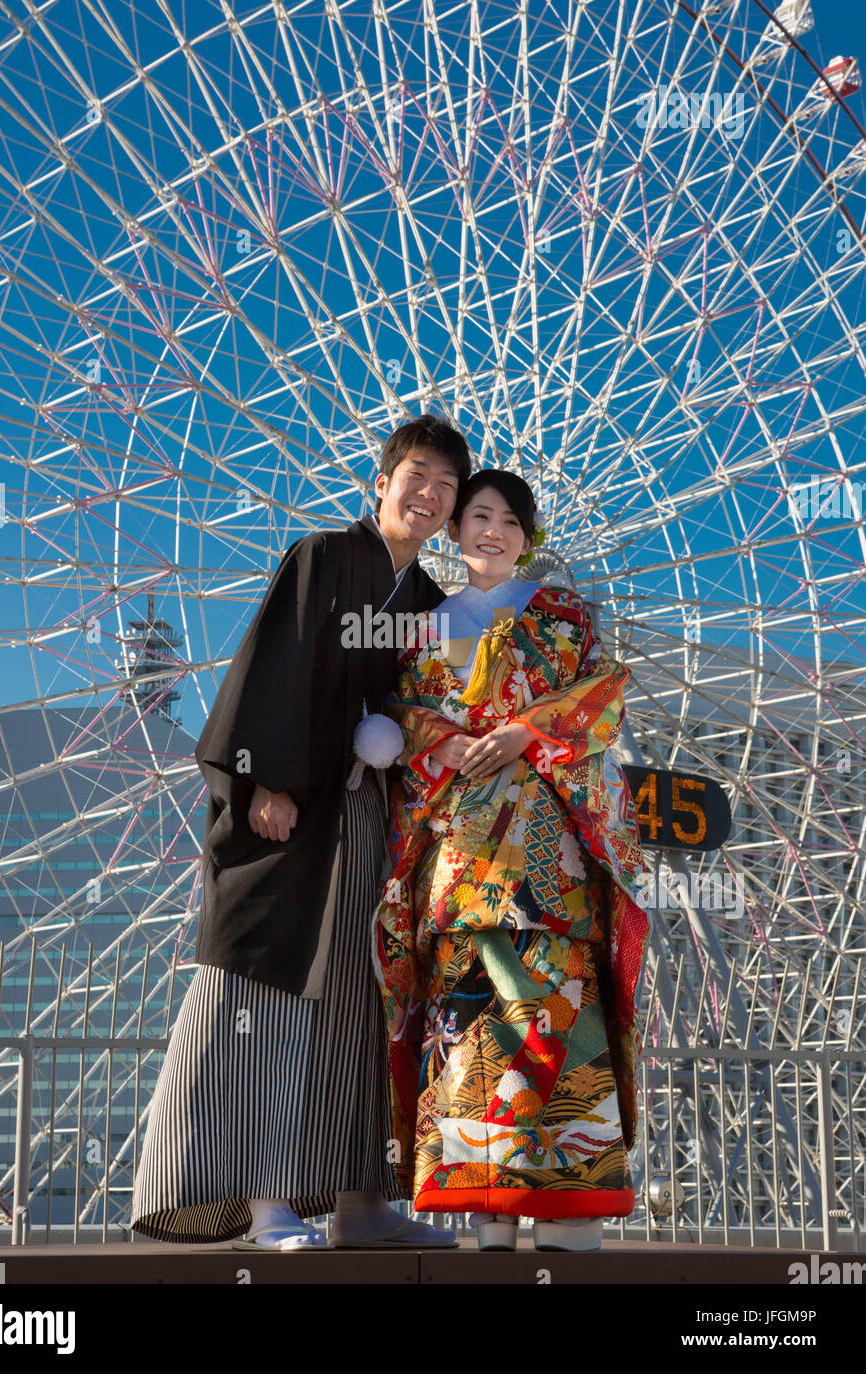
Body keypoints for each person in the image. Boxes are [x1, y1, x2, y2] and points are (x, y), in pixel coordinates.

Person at [130, 414, 472, 1250]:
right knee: (265, 994)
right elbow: (273, 664)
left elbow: (432, 706)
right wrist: (266, 780)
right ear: (381, 483)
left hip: (377, 821)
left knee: (367, 1000)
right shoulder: (322, 558)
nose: (428, 495)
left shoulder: (430, 604)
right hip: (297, 814)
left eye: (447, 488)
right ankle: (266, 1197)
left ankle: (362, 1196)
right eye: (416, 476)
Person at [372, 469, 649, 1252]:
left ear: (529, 540)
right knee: (468, 1018)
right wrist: (447, 740)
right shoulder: (426, 625)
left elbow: (600, 699)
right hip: (461, 847)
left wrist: (527, 731)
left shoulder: (562, 617)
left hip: (543, 846)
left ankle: (570, 1202)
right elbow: (403, 713)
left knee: (554, 997)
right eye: (477, 516)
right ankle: (486, 1201)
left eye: (508, 521)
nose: (490, 531)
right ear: (456, 531)